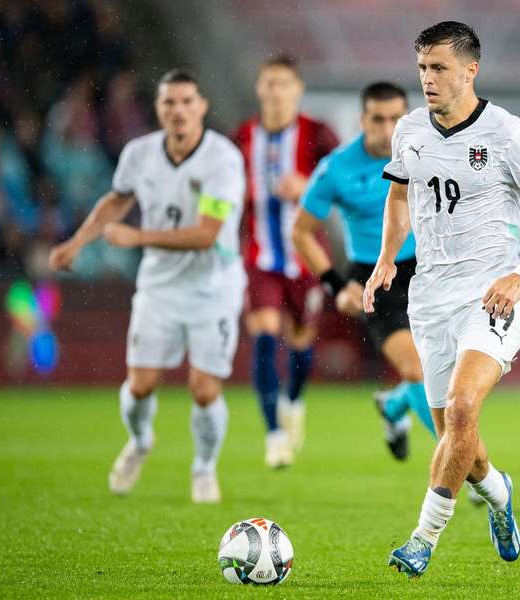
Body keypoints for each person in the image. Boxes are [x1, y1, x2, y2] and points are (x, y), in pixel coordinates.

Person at [363, 22, 520, 577]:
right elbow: (399, 194)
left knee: (461, 409)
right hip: (428, 298)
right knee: (458, 436)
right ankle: (500, 493)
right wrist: (387, 257)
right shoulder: (409, 129)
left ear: (470, 70)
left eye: (438, 68)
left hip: (493, 294)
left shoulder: (510, 134)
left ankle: (422, 539)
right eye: (422, 69)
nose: (427, 80)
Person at [48, 69, 246, 504]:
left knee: (204, 388)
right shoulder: (139, 154)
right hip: (158, 286)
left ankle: (204, 468)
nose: (178, 111)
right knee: (139, 386)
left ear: (202, 107)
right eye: (168, 103)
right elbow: (117, 200)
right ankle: (139, 442)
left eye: (186, 102)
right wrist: (77, 242)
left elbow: (206, 233)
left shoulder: (223, 160)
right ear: (158, 109)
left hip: (212, 286)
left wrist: (137, 237)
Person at [291, 82, 436, 460]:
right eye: (377, 119)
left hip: (430, 269)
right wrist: (337, 286)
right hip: (375, 277)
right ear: (362, 120)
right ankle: (464, 462)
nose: (387, 130)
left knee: (447, 372)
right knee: (418, 370)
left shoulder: (429, 152)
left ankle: (393, 407)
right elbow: (301, 232)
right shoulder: (337, 168)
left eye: (396, 119)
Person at [232, 54, 339, 468]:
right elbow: (221, 187)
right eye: (269, 83)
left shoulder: (318, 134)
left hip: (307, 257)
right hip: (260, 257)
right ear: (260, 88)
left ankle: (294, 402)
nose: (276, 91)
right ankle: (274, 434)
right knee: (263, 337)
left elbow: (342, 184)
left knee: (300, 345)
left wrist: (307, 186)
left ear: (298, 90)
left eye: (283, 84)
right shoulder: (241, 137)